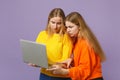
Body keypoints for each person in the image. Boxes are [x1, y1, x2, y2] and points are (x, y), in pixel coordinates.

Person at [47, 12, 106, 80]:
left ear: (80, 26)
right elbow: (83, 61)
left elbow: (85, 70)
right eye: (66, 27)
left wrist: (65, 71)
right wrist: (71, 60)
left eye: (71, 27)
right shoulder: (77, 41)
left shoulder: (85, 43)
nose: (68, 30)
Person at [28, 8, 73, 80]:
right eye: (53, 22)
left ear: (63, 23)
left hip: (60, 77)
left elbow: (65, 62)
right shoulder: (42, 34)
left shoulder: (66, 37)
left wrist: (47, 64)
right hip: (44, 75)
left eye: (59, 23)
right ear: (48, 21)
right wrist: (35, 62)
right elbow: (37, 55)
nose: (55, 26)